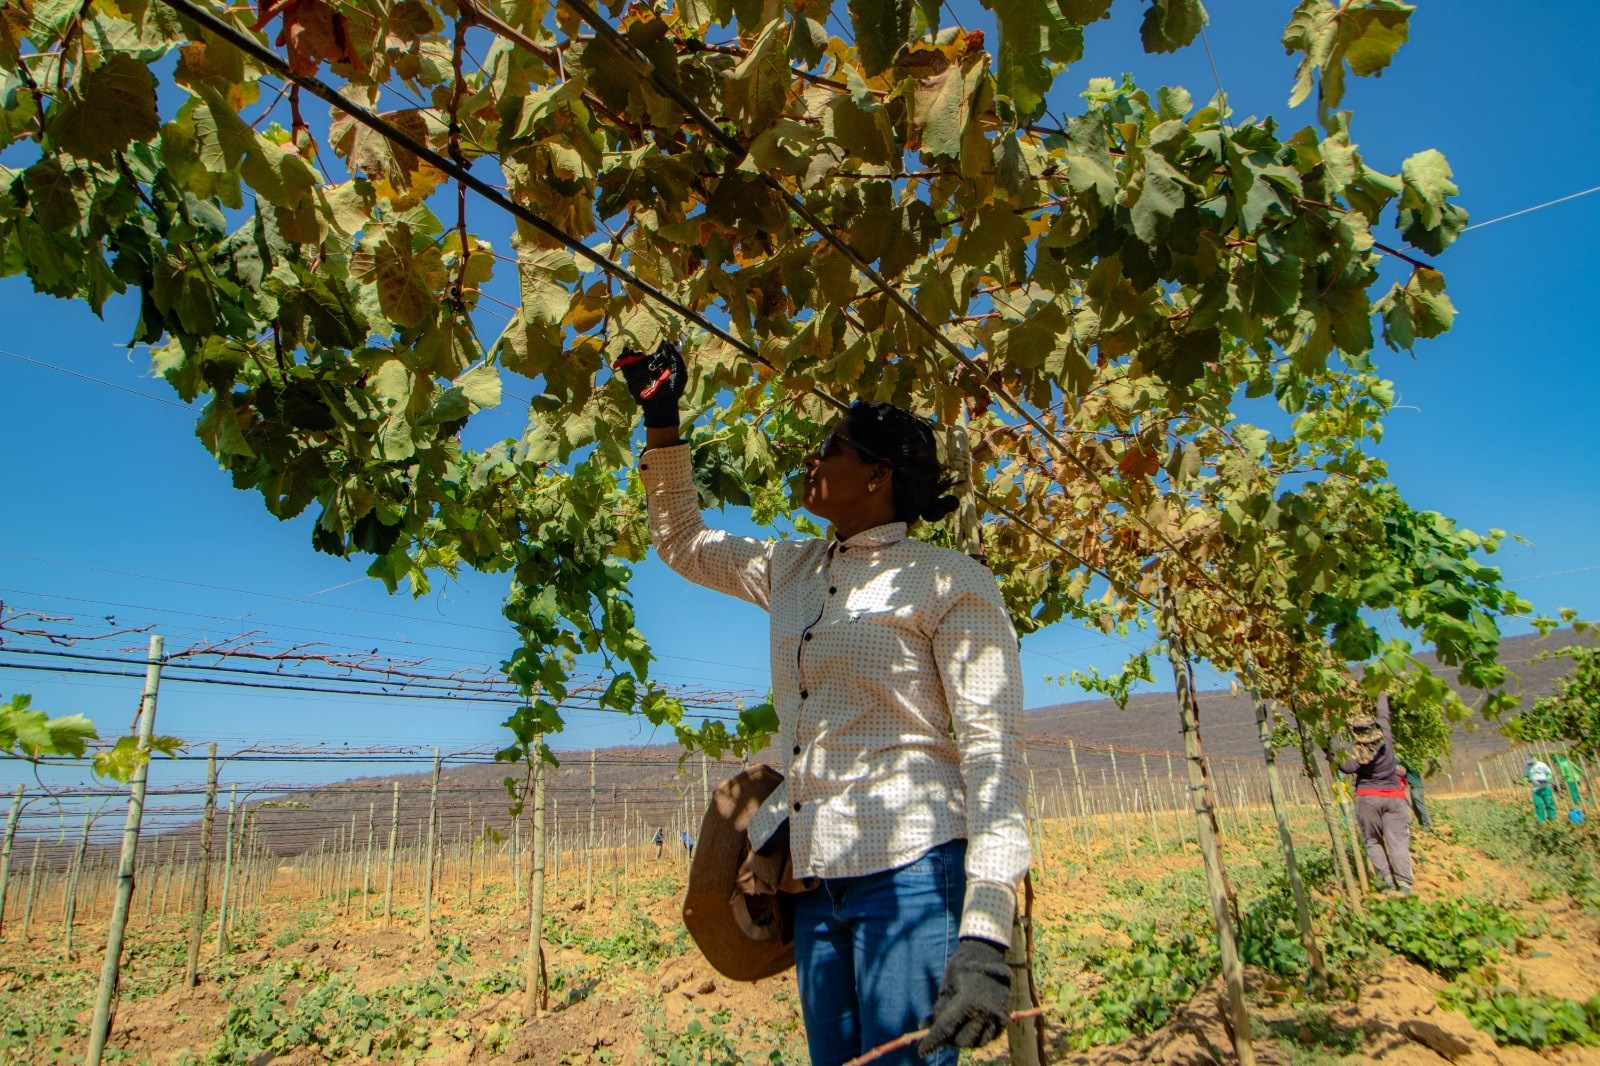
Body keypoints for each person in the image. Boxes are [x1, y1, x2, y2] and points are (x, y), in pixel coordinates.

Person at [619, 342, 1031, 1066]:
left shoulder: (948, 579)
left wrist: (986, 930)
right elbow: (683, 542)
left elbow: (992, 752)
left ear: (878, 474)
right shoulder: (793, 568)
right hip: (812, 880)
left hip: (914, 872)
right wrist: (663, 419)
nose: (811, 458)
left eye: (831, 447)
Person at [1339, 694, 1415, 895]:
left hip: (1368, 799)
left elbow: (1347, 768)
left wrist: (1330, 753)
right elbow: (1384, 714)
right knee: (1398, 841)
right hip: (1395, 797)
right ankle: (1404, 884)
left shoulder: (1358, 752)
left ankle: (1387, 880)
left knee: (1372, 840)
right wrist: (1381, 692)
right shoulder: (1386, 738)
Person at [1400, 764, 1433, 831]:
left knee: (1421, 807)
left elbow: (1398, 762)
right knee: (1415, 807)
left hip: (1417, 787)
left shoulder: (1412, 764)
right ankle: (1422, 824)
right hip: (1414, 787)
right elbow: (1406, 776)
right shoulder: (1411, 766)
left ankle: (1427, 825)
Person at [1524, 758, 1556, 822]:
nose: (1529, 763)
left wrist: (1546, 779)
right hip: (1536, 789)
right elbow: (1525, 776)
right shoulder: (1527, 767)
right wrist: (1527, 780)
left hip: (1545, 787)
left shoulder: (1542, 765)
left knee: (1549, 803)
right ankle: (1540, 821)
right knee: (1538, 805)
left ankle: (1552, 819)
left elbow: (1549, 774)